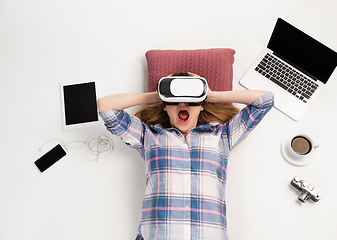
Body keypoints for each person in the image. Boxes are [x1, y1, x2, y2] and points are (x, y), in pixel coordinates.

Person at [97, 73, 274, 240]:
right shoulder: (149, 136)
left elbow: (265, 100)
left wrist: (211, 94)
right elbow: (106, 107)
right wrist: (158, 95)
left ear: (201, 105)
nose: (183, 104)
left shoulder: (223, 135)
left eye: (191, 100)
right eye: (175, 100)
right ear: (165, 106)